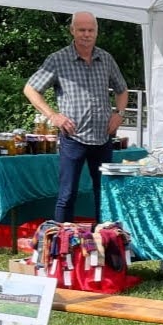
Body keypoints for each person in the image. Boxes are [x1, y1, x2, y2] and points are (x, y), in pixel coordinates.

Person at [24, 12, 129, 222]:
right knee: (67, 194)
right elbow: (30, 89)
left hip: (103, 138)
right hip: (73, 138)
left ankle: (105, 242)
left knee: (105, 194)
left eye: (91, 30)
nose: (87, 35)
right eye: (82, 30)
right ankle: (62, 246)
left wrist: (120, 114)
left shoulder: (106, 58)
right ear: (72, 31)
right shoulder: (58, 59)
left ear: (96, 32)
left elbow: (122, 90)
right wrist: (53, 115)